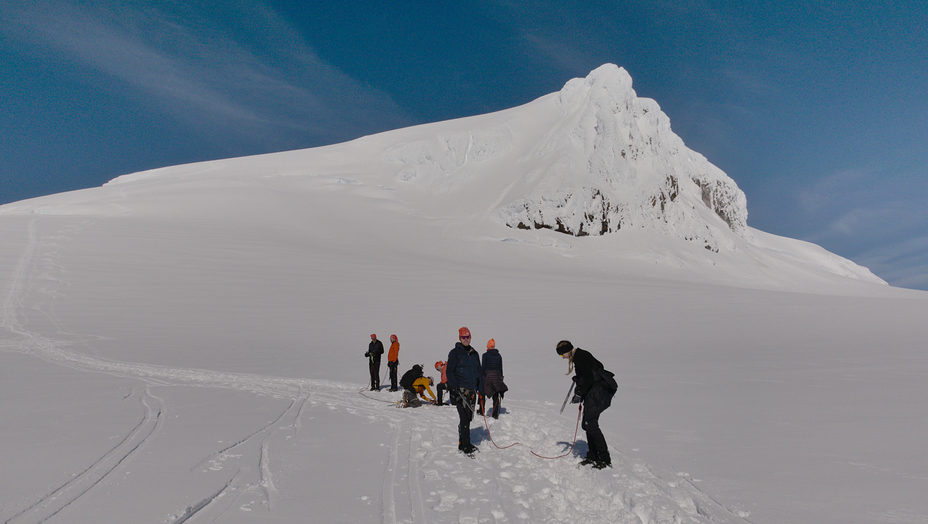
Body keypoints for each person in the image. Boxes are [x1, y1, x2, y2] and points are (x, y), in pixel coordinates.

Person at [556, 340, 618, 469]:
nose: (563, 358)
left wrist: (580, 391)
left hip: (598, 393)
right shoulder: (580, 354)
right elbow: (595, 368)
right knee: (587, 424)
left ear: (567, 351)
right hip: (594, 392)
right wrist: (580, 378)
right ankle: (592, 456)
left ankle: (604, 459)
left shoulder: (579, 356)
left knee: (591, 424)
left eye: (562, 355)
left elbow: (590, 376)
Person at [446, 327, 482, 455]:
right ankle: (465, 444)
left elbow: (479, 372)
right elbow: (449, 371)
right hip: (460, 390)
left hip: (472, 390)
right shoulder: (455, 353)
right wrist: (454, 387)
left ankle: (463, 439)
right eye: (463, 337)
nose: (466, 339)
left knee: (469, 417)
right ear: (460, 338)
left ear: (470, 337)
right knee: (464, 417)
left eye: (467, 337)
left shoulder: (475, 354)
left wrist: (481, 389)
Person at [481, 338, 508, 419]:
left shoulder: (485, 355)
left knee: (482, 392)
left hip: (488, 376)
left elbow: (483, 368)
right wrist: (501, 377)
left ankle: (481, 411)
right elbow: (501, 368)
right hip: (497, 376)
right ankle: (495, 414)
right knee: (496, 394)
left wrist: (481, 377)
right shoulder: (499, 355)